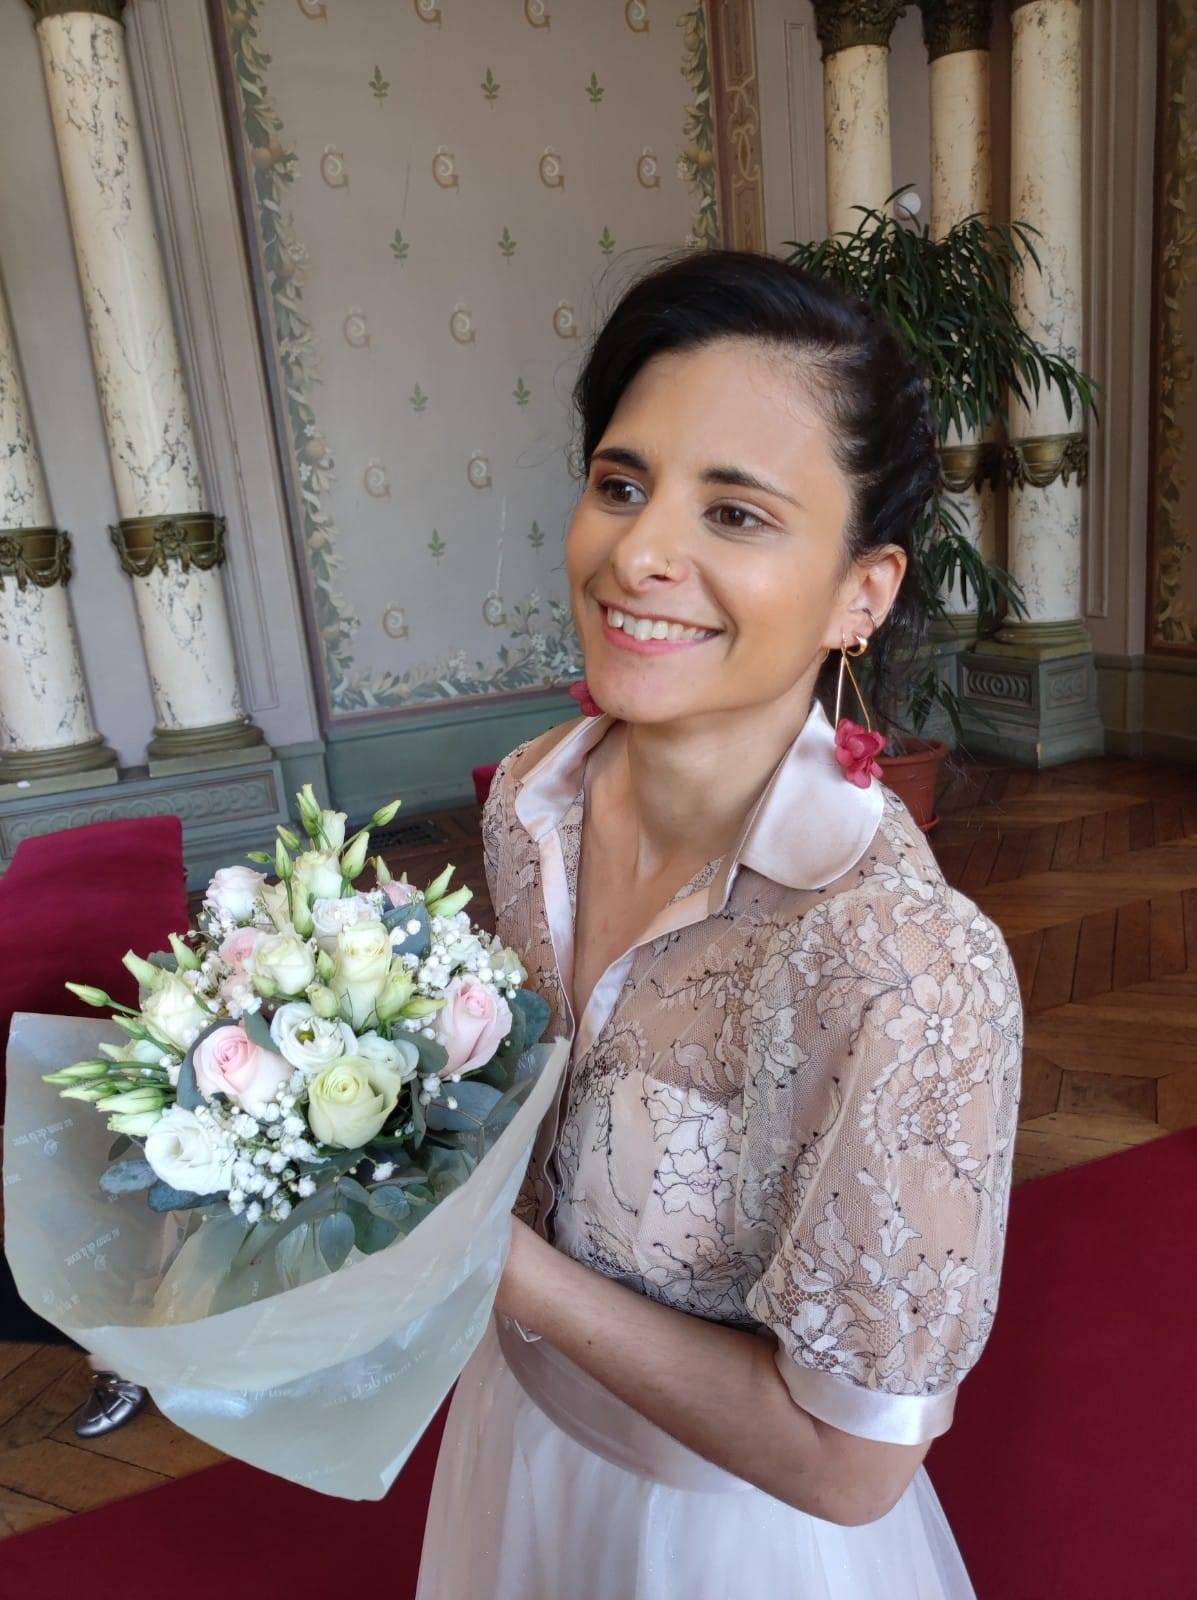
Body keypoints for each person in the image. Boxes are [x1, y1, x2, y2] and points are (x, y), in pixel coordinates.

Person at [414, 250, 1023, 1599]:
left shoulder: (899, 966)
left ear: (863, 592)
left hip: (720, 1542)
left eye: (736, 513)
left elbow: (851, 1471)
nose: (637, 553)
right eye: (621, 484)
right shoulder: (533, 802)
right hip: (512, 1442)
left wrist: (487, 1263)